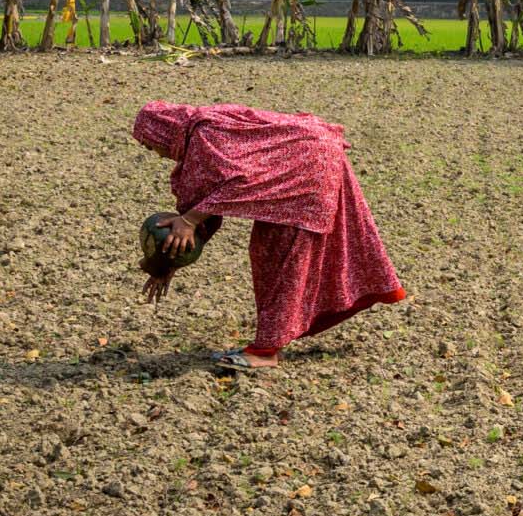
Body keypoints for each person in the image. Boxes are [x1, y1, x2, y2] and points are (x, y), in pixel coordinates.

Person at [131, 101, 406, 371]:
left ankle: (266, 351)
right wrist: (169, 262)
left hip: (307, 168)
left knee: (281, 258)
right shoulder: (200, 131)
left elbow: (240, 181)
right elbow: (207, 207)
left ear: (161, 130)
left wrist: (189, 220)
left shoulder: (205, 137)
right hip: (311, 156)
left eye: (149, 144)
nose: (156, 153)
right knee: (272, 252)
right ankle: (270, 344)